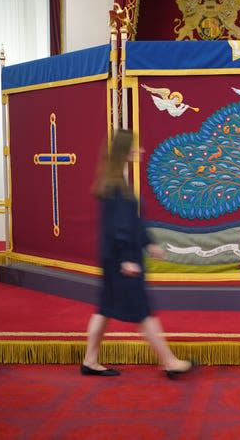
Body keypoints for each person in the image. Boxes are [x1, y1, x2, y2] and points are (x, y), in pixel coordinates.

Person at [81, 129, 194, 379]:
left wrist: (148, 244)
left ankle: (90, 360)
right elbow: (118, 227)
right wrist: (127, 259)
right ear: (126, 150)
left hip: (116, 258)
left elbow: (132, 221)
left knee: (104, 309)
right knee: (142, 311)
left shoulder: (116, 179)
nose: (142, 150)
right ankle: (169, 362)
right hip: (122, 261)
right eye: (137, 146)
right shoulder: (114, 185)